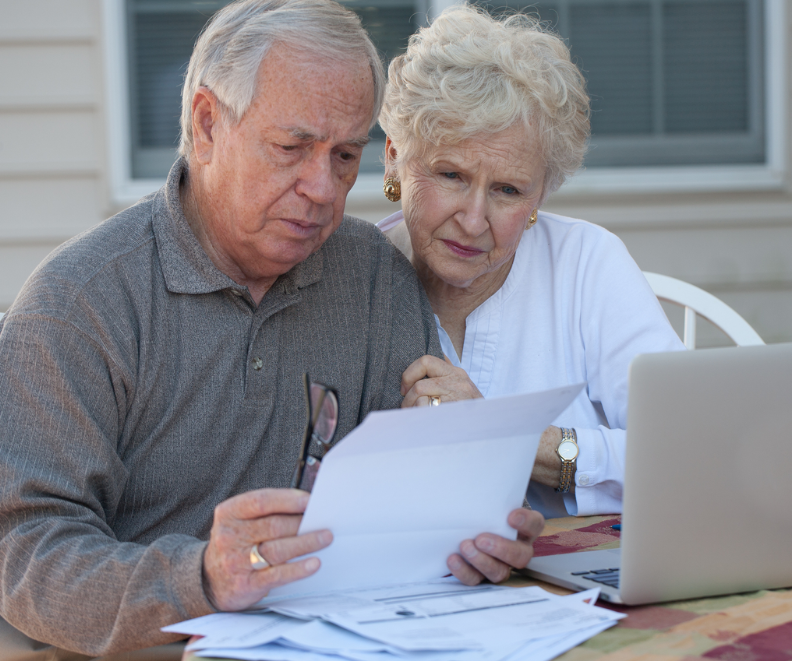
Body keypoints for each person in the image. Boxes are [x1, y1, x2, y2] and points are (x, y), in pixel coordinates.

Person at [0, 1, 543, 657]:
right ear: (207, 126)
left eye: (345, 156)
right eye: (292, 148)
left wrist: (470, 531)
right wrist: (201, 577)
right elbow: (25, 554)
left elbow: (415, 502)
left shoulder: (372, 274)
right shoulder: (79, 304)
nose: (321, 187)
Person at [377, 6, 685, 520]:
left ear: (542, 193)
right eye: (450, 175)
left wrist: (505, 436)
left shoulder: (587, 264)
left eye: (508, 190)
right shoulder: (352, 281)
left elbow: (689, 450)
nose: (474, 220)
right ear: (393, 157)